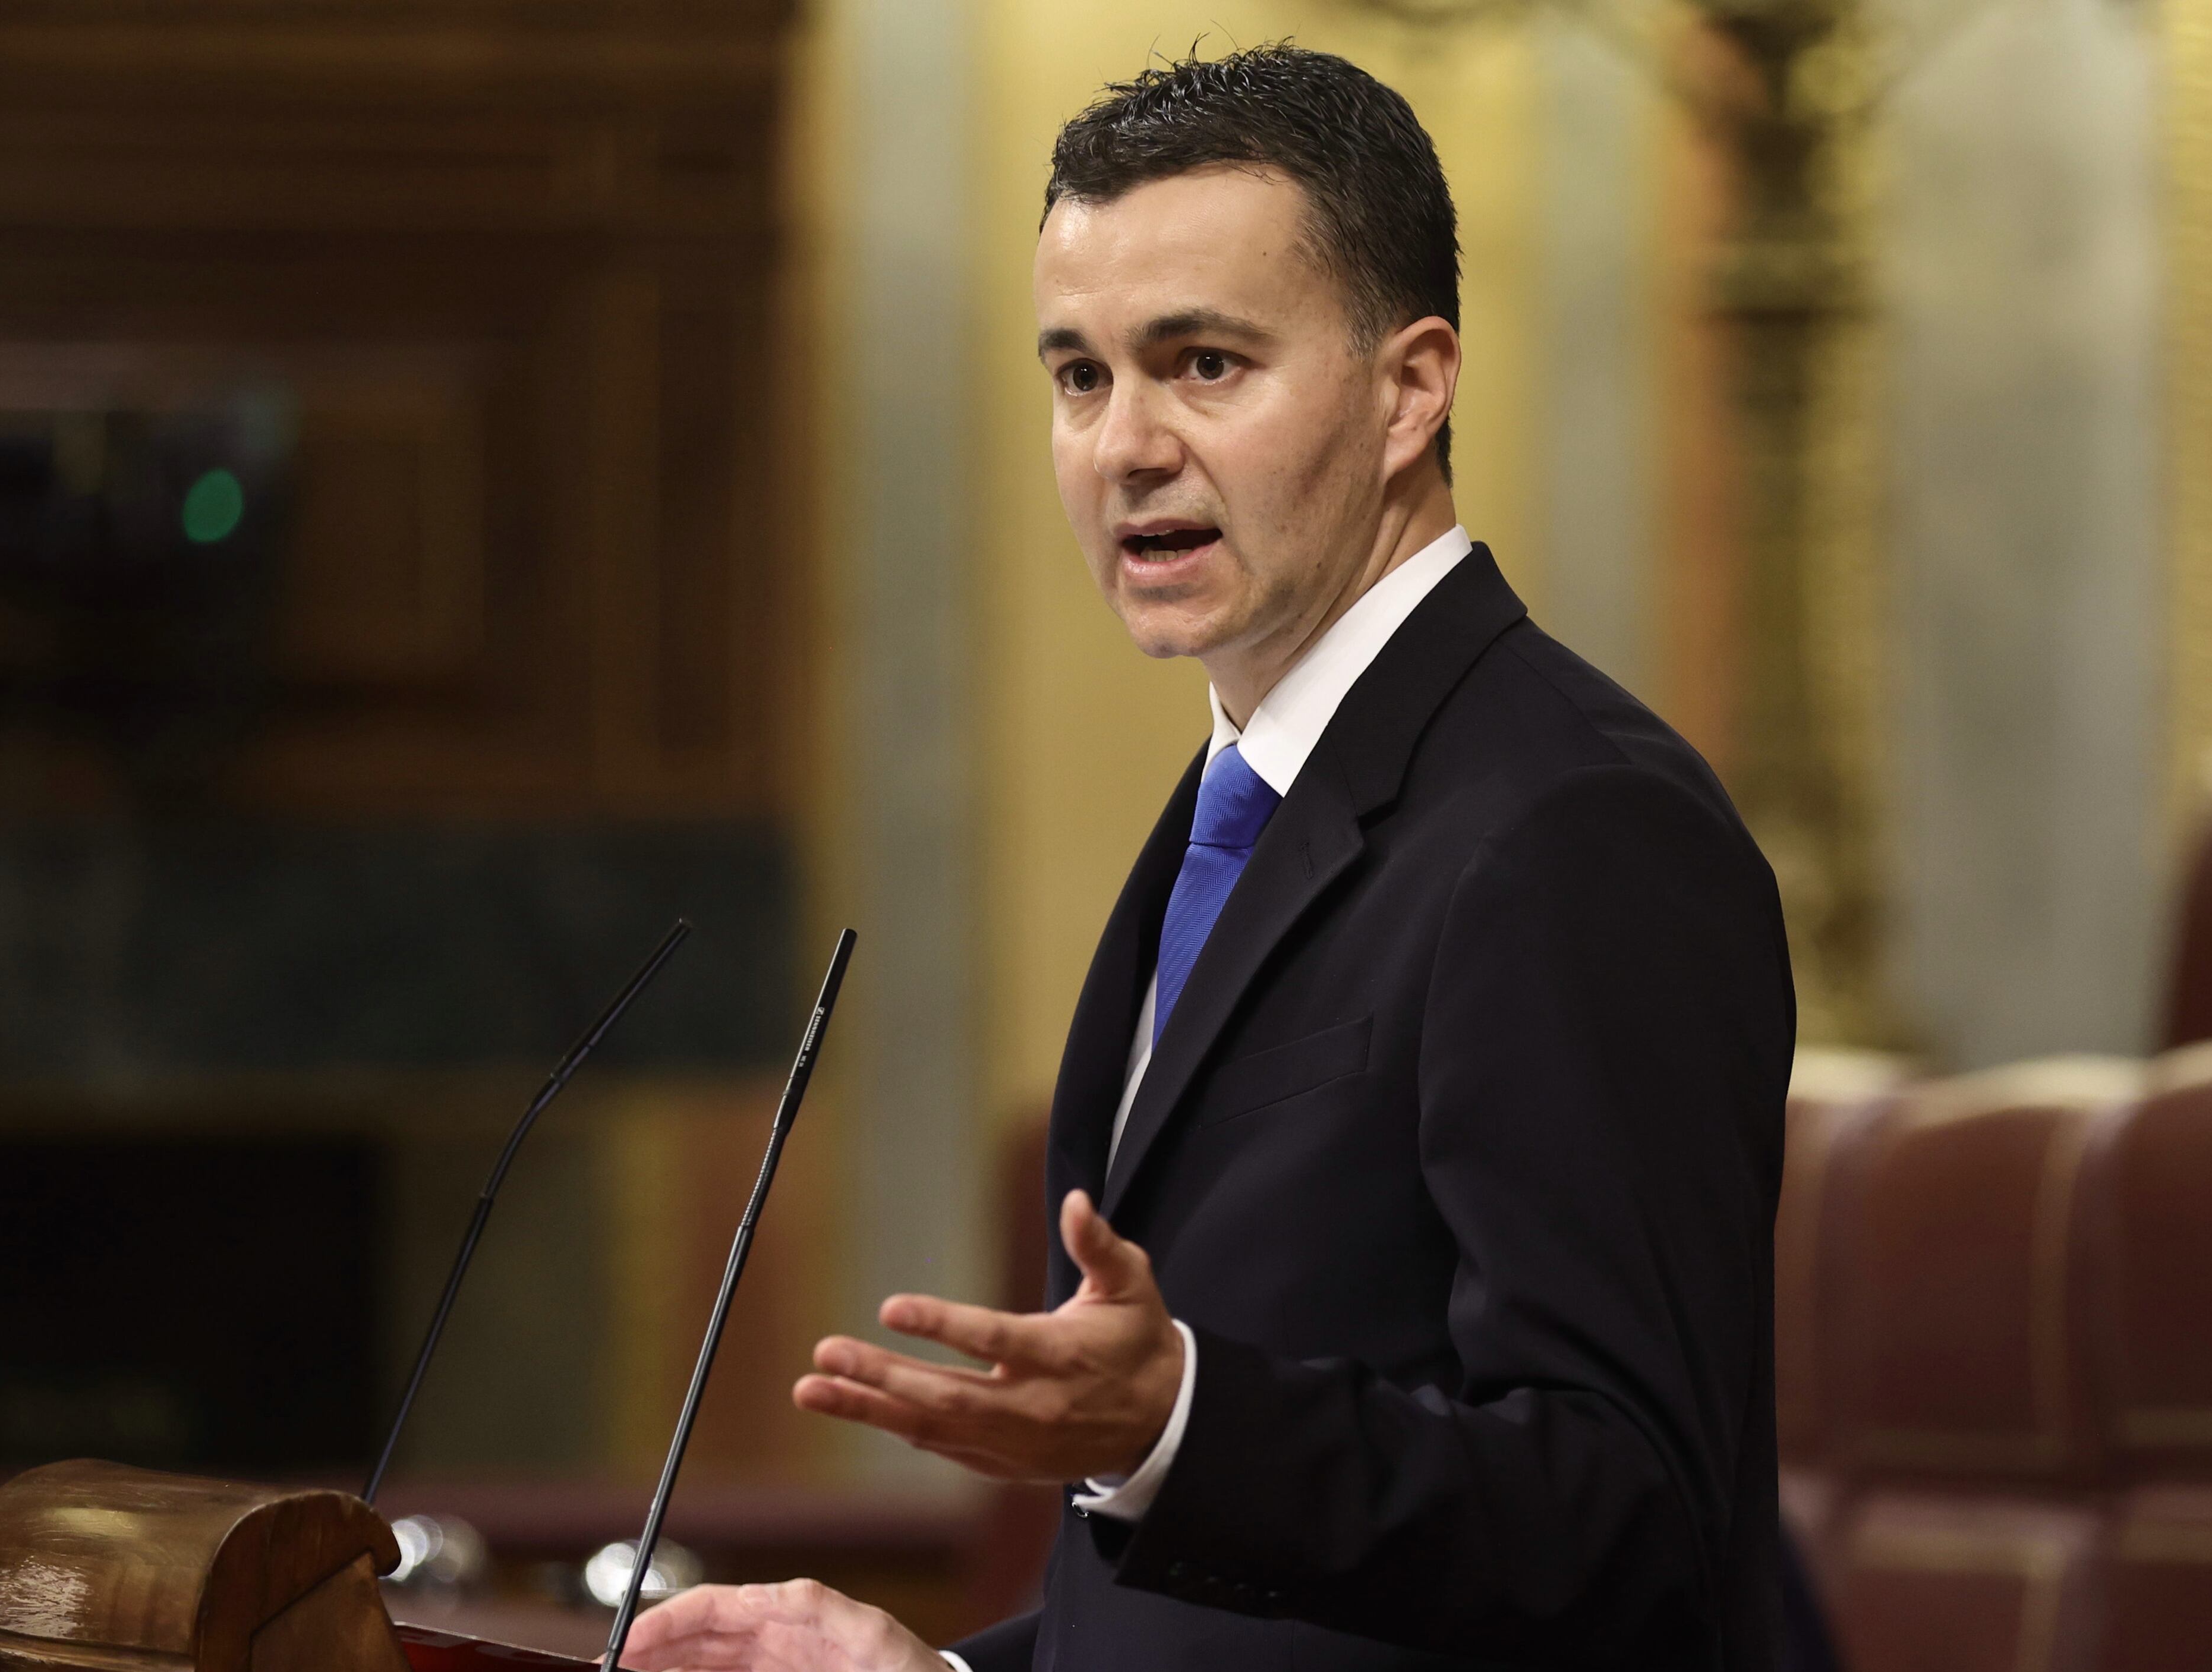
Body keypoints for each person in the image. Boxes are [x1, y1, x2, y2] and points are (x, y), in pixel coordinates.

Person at [621, 43, 1803, 1672]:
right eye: (1079, 376)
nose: (1125, 445)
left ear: (1411, 390)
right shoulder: (1237, 805)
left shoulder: (1576, 830)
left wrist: (1182, 1423)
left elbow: (1631, 1525)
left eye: (1204, 364)